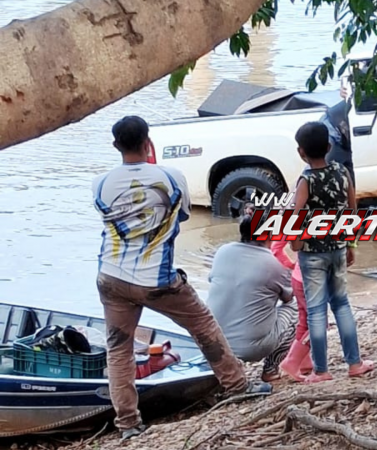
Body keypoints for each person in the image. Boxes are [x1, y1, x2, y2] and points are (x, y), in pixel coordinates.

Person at [92, 116, 272, 441]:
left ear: (115, 145)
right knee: (203, 325)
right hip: (157, 280)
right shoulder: (172, 177)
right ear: (149, 142)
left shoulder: (101, 183)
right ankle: (237, 386)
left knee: (118, 349)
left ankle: (128, 424)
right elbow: (183, 216)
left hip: (111, 278)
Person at [289, 121, 374, 383]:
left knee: (316, 311)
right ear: (328, 146)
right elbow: (351, 208)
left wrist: (295, 242)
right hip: (338, 247)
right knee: (342, 305)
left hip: (312, 253)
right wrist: (350, 243)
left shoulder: (306, 180)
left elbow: (296, 214)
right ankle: (355, 363)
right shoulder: (341, 172)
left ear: (301, 152)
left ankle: (321, 370)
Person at [206, 215, 299, 383]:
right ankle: (270, 370)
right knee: (298, 305)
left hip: (211, 345)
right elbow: (288, 297)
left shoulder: (222, 251)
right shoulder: (273, 264)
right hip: (250, 350)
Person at [272, 237, 314, 382]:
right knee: (318, 324)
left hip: (298, 277)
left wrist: (292, 265)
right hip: (311, 280)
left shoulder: (291, 218)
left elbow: (276, 249)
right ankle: (292, 362)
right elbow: (276, 250)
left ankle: (304, 361)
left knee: (304, 321)